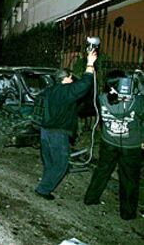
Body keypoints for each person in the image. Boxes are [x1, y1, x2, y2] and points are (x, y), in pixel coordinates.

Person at [34, 50, 97, 200]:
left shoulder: (50, 90)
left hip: (44, 131)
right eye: (70, 77)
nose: (72, 79)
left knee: (49, 161)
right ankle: (43, 190)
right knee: (61, 164)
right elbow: (85, 84)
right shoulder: (66, 91)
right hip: (57, 133)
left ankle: (45, 183)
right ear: (66, 79)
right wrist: (89, 64)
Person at [84, 70, 144, 220]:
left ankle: (91, 198)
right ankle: (127, 213)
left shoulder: (102, 98)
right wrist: (140, 82)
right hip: (131, 146)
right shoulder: (136, 101)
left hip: (109, 141)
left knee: (102, 171)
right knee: (129, 179)